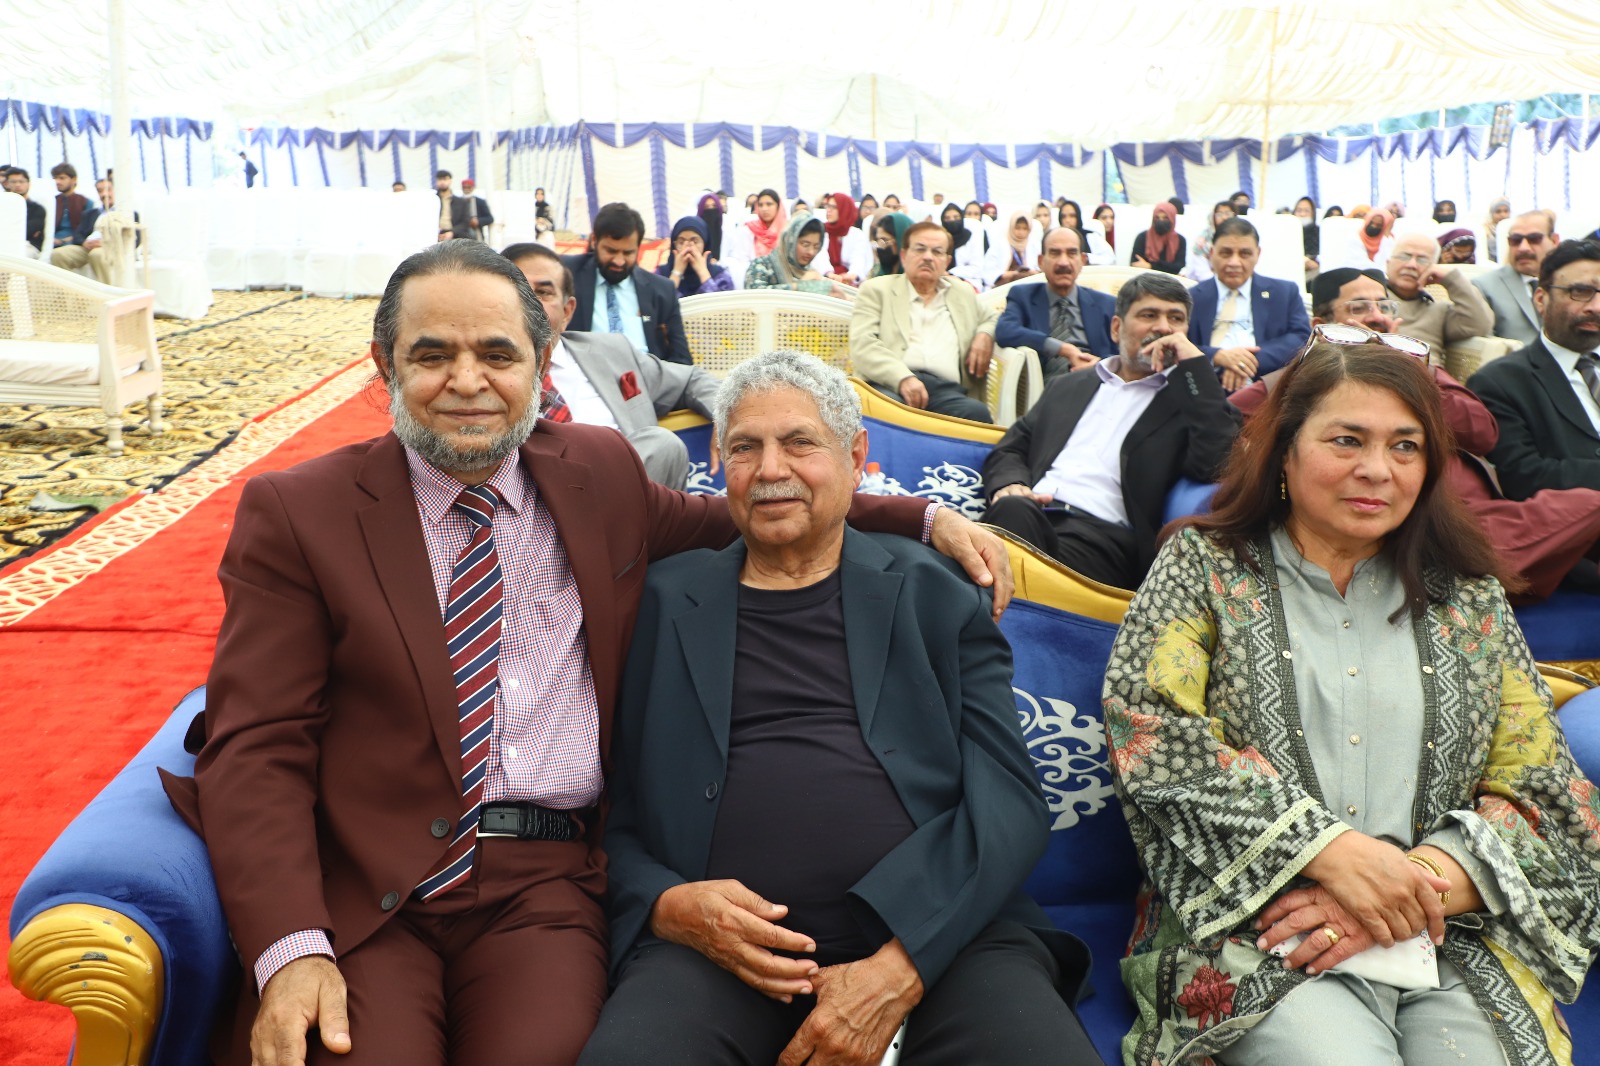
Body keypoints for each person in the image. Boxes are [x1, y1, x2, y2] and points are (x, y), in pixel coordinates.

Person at [160, 238, 1014, 1066]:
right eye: (432, 355)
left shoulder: (594, 474)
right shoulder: (302, 512)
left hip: (543, 887)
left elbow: (749, 509)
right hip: (367, 886)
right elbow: (257, 745)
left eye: (498, 354)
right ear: (385, 365)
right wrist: (291, 948)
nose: (468, 381)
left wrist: (925, 517)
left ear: (542, 364)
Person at [579, 350, 1100, 1066]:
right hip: (719, 953)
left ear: (855, 457)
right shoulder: (660, 603)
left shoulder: (934, 593)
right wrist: (665, 903)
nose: (771, 469)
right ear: (718, 463)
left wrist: (900, 967)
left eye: (800, 442)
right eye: (745, 447)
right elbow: (610, 807)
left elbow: (1009, 801)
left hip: (946, 940)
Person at [1104, 335, 1600, 1066]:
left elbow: (1545, 789)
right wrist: (1330, 853)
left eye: (1406, 447)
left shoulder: (1469, 599)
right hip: (1260, 929)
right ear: (1284, 450)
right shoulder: (1203, 567)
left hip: (1447, 931)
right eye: (1347, 440)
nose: (1377, 469)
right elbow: (1155, 738)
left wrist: (1413, 886)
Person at [1235, 266, 1600, 601]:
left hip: (1469, 516)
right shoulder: (1295, 382)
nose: (1376, 317)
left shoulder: (1423, 370)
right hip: (1402, 525)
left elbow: (1482, 433)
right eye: (1359, 308)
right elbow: (1225, 426)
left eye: (1384, 307)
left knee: (1585, 505)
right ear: (1322, 324)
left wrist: (1408, 374)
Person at [983, 272, 1240, 589]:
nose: (1163, 327)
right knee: (985, 528)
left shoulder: (1193, 403)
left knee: (994, 549)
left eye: (1176, 319)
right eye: (1149, 315)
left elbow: (1218, 463)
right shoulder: (1069, 385)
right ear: (1117, 327)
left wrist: (1196, 368)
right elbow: (1012, 446)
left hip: (1101, 541)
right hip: (1032, 512)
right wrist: (1010, 484)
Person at [509, 242, 719, 490]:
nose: (531, 303)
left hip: (638, 493)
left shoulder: (612, 351)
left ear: (567, 311)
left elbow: (691, 380)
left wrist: (726, 415)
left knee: (661, 446)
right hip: (541, 500)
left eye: (543, 293)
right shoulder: (482, 376)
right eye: (520, 292)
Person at [1468, 238, 1600, 498]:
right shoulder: (1499, 383)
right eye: (1580, 291)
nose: (1595, 307)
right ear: (1541, 299)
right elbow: (1523, 476)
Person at [851, 220, 997, 423]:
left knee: (976, 413)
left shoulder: (962, 292)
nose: (928, 257)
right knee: (887, 412)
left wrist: (984, 335)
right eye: (920, 249)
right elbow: (863, 344)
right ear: (904, 255)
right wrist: (903, 377)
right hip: (889, 384)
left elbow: (993, 317)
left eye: (937, 252)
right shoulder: (876, 290)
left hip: (946, 391)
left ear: (947, 261)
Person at [1188, 217, 1313, 390]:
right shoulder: (1191, 298)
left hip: (1265, 388)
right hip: (1204, 387)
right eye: (1226, 253)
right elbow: (1178, 342)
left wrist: (1248, 360)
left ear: (1257, 254)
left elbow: (1301, 338)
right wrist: (1216, 356)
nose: (1234, 262)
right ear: (1211, 253)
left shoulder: (1284, 293)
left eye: (1244, 254)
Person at [565, 202, 693, 365]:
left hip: (646, 377)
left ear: (638, 247)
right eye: (611, 251)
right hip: (584, 374)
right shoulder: (568, 274)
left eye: (628, 253)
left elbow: (682, 360)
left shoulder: (661, 290)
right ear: (594, 241)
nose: (619, 261)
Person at [995, 226, 1116, 380]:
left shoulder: (1106, 304)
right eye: (1055, 253)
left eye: (1071, 253)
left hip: (1097, 385)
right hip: (1045, 388)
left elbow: (1126, 354)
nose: (1063, 262)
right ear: (1041, 262)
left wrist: (1099, 366)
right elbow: (1005, 331)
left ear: (1083, 261)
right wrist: (1062, 349)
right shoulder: (1023, 296)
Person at [1382, 233, 1493, 352]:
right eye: (1404, 257)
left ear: (1433, 268)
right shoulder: (1373, 303)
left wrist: (1451, 279)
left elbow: (1480, 325)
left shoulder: (1438, 310)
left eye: (1422, 260)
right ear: (1388, 263)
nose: (1412, 265)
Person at [1472, 208, 1561, 346]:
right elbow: (1484, 346)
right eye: (1516, 240)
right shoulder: (1483, 287)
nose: (1523, 248)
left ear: (1554, 241)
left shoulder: (1571, 283)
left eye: (1534, 239)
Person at [743, 211, 850, 299]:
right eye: (805, 244)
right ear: (790, 241)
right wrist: (800, 286)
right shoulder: (762, 266)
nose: (811, 252)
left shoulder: (811, 273)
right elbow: (755, 296)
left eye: (816, 246)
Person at [656, 216, 734, 298]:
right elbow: (658, 303)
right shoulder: (661, 275)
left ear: (705, 244)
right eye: (681, 242)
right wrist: (676, 273)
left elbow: (722, 304)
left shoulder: (720, 275)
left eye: (695, 241)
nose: (688, 248)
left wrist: (703, 272)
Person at [939, 202, 990, 290]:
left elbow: (977, 268)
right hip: (941, 281)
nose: (952, 221)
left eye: (956, 217)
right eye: (947, 218)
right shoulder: (940, 240)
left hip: (967, 281)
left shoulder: (971, 237)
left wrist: (951, 273)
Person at [822, 192, 870, 285]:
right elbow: (820, 257)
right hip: (826, 280)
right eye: (827, 206)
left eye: (834, 207)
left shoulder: (857, 234)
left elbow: (859, 258)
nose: (828, 210)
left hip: (850, 283)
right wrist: (829, 274)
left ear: (845, 210)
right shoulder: (822, 231)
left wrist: (852, 275)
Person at [1185, 200, 1236, 282]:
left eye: (1228, 214)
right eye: (1219, 214)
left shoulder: (1241, 238)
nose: (1224, 218)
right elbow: (1202, 273)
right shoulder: (1203, 241)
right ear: (1213, 217)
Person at [1129, 202, 1186, 274]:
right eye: (1157, 218)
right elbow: (1135, 264)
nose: (1161, 221)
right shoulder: (1142, 237)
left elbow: (1178, 267)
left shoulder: (1180, 240)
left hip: (1169, 280)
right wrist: (1166, 267)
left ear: (1172, 219)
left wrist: (1150, 266)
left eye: (1165, 218)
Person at [47, 163, 91, 251]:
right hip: (51, 243)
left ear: (74, 179)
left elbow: (87, 229)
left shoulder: (85, 202)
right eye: (55, 178)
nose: (57, 182)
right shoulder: (52, 202)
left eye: (62, 178)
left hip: (75, 243)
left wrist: (67, 239)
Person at [4, 167, 46, 251]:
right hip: (4, 244)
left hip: (29, 246)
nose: (17, 185)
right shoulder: (4, 206)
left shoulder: (37, 209)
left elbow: (26, 231)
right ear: (7, 184)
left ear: (28, 184)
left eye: (21, 181)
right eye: (13, 182)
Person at [996, 211, 1040, 285]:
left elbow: (1040, 269)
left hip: (1030, 283)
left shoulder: (1035, 245)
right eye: (1017, 228)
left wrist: (1031, 273)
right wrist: (1013, 274)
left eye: (1025, 229)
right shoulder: (1000, 244)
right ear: (1011, 227)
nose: (1021, 232)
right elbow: (990, 273)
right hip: (1005, 285)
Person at [867, 211, 912, 280]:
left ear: (900, 240)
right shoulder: (878, 272)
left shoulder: (915, 277)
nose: (880, 246)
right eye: (878, 240)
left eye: (884, 240)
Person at [434, 170, 470, 241]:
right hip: (435, 234)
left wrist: (452, 232)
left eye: (445, 179)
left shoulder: (460, 202)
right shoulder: (432, 200)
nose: (442, 182)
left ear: (450, 181)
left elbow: (465, 222)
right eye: (440, 179)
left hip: (455, 235)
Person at [1293, 196, 1320, 277]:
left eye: (1306, 211)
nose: (1302, 214)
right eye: (1299, 210)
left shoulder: (1320, 233)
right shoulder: (1287, 233)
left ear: (1313, 213)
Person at [695, 192, 723, 261]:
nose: (711, 210)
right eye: (706, 207)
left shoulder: (729, 230)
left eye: (714, 206)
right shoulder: (695, 232)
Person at [1483, 196, 1511, 262]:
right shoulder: (1485, 231)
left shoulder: (1514, 229)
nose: (1502, 214)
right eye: (1498, 211)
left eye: (1506, 211)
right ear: (1491, 213)